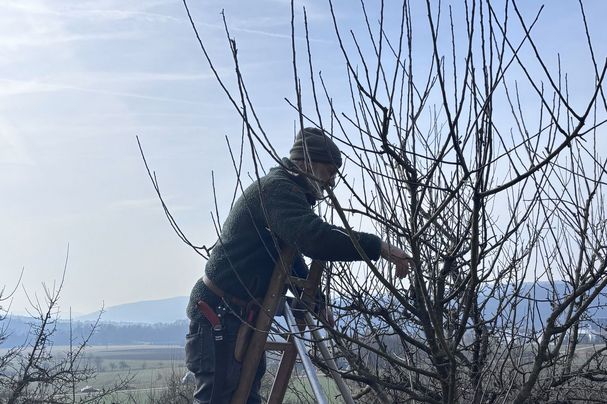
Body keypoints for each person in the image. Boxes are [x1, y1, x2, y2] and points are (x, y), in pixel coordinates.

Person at [185, 127, 415, 404]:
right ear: (307, 163)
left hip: (240, 315)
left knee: (245, 398)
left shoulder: (286, 194)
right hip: (220, 316)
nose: (331, 182)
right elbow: (314, 238)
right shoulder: (277, 190)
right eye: (329, 171)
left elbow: (289, 257)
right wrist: (379, 247)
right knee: (219, 399)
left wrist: (317, 301)